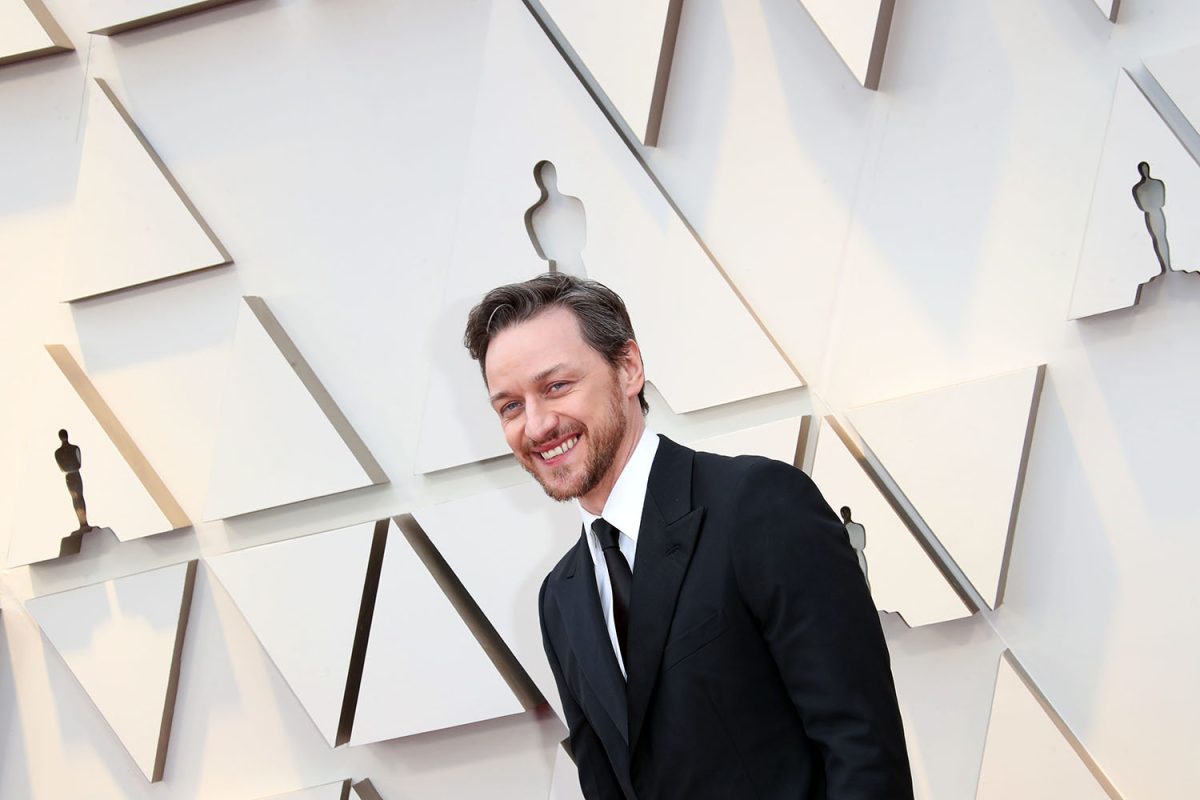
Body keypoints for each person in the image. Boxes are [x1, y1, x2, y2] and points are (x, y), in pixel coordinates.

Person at [463, 273, 912, 799]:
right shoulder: (560, 597)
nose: (536, 426)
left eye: (556, 386)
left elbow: (863, 751)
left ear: (628, 368)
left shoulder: (758, 504)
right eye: (510, 406)